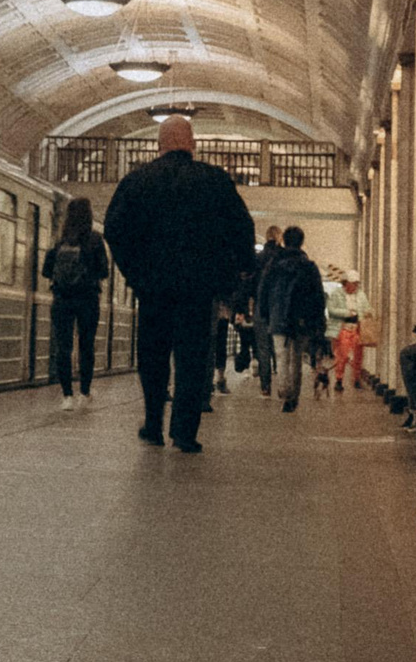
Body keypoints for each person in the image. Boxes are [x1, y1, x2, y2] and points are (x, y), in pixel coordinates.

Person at [103, 114, 256, 452]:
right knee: (191, 357)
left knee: (153, 356)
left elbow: (114, 231)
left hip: (153, 288)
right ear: (193, 145)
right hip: (198, 290)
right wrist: (238, 271)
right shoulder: (214, 181)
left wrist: (135, 272)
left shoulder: (137, 181)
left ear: (159, 145)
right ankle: (185, 432)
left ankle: (153, 424)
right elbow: (241, 229)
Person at [41, 196, 109, 410]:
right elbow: (104, 272)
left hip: (62, 299)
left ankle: (67, 396)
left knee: (64, 347)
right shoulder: (95, 239)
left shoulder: (60, 240)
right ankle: (84, 393)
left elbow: (46, 271)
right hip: (87, 299)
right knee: (86, 346)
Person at [254, 225, 328, 411]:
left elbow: (263, 290)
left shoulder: (273, 265)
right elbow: (318, 296)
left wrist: (264, 312)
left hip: (278, 316)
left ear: (284, 241)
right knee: (296, 357)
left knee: (281, 355)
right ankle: (292, 396)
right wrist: (318, 321)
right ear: (301, 242)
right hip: (301, 319)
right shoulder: (309, 266)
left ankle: (284, 390)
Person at [253, 225, 283, 392]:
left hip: (260, 305)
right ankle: (283, 385)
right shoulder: (283, 257)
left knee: (263, 347)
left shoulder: (258, 258)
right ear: (279, 237)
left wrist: (243, 306)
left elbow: (249, 283)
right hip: (279, 308)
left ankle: (265, 386)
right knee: (280, 347)